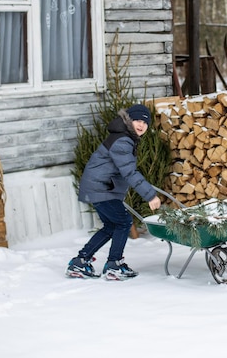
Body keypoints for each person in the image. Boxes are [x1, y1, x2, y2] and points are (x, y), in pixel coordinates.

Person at [66, 104, 161, 281]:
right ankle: (114, 264)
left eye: (145, 122)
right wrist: (150, 195)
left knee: (111, 226)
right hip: (102, 188)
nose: (141, 125)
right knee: (124, 222)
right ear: (128, 121)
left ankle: (80, 261)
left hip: (100, 187)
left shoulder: (124, 138)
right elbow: (129, 172)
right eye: (137, 120)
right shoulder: (123, 141)